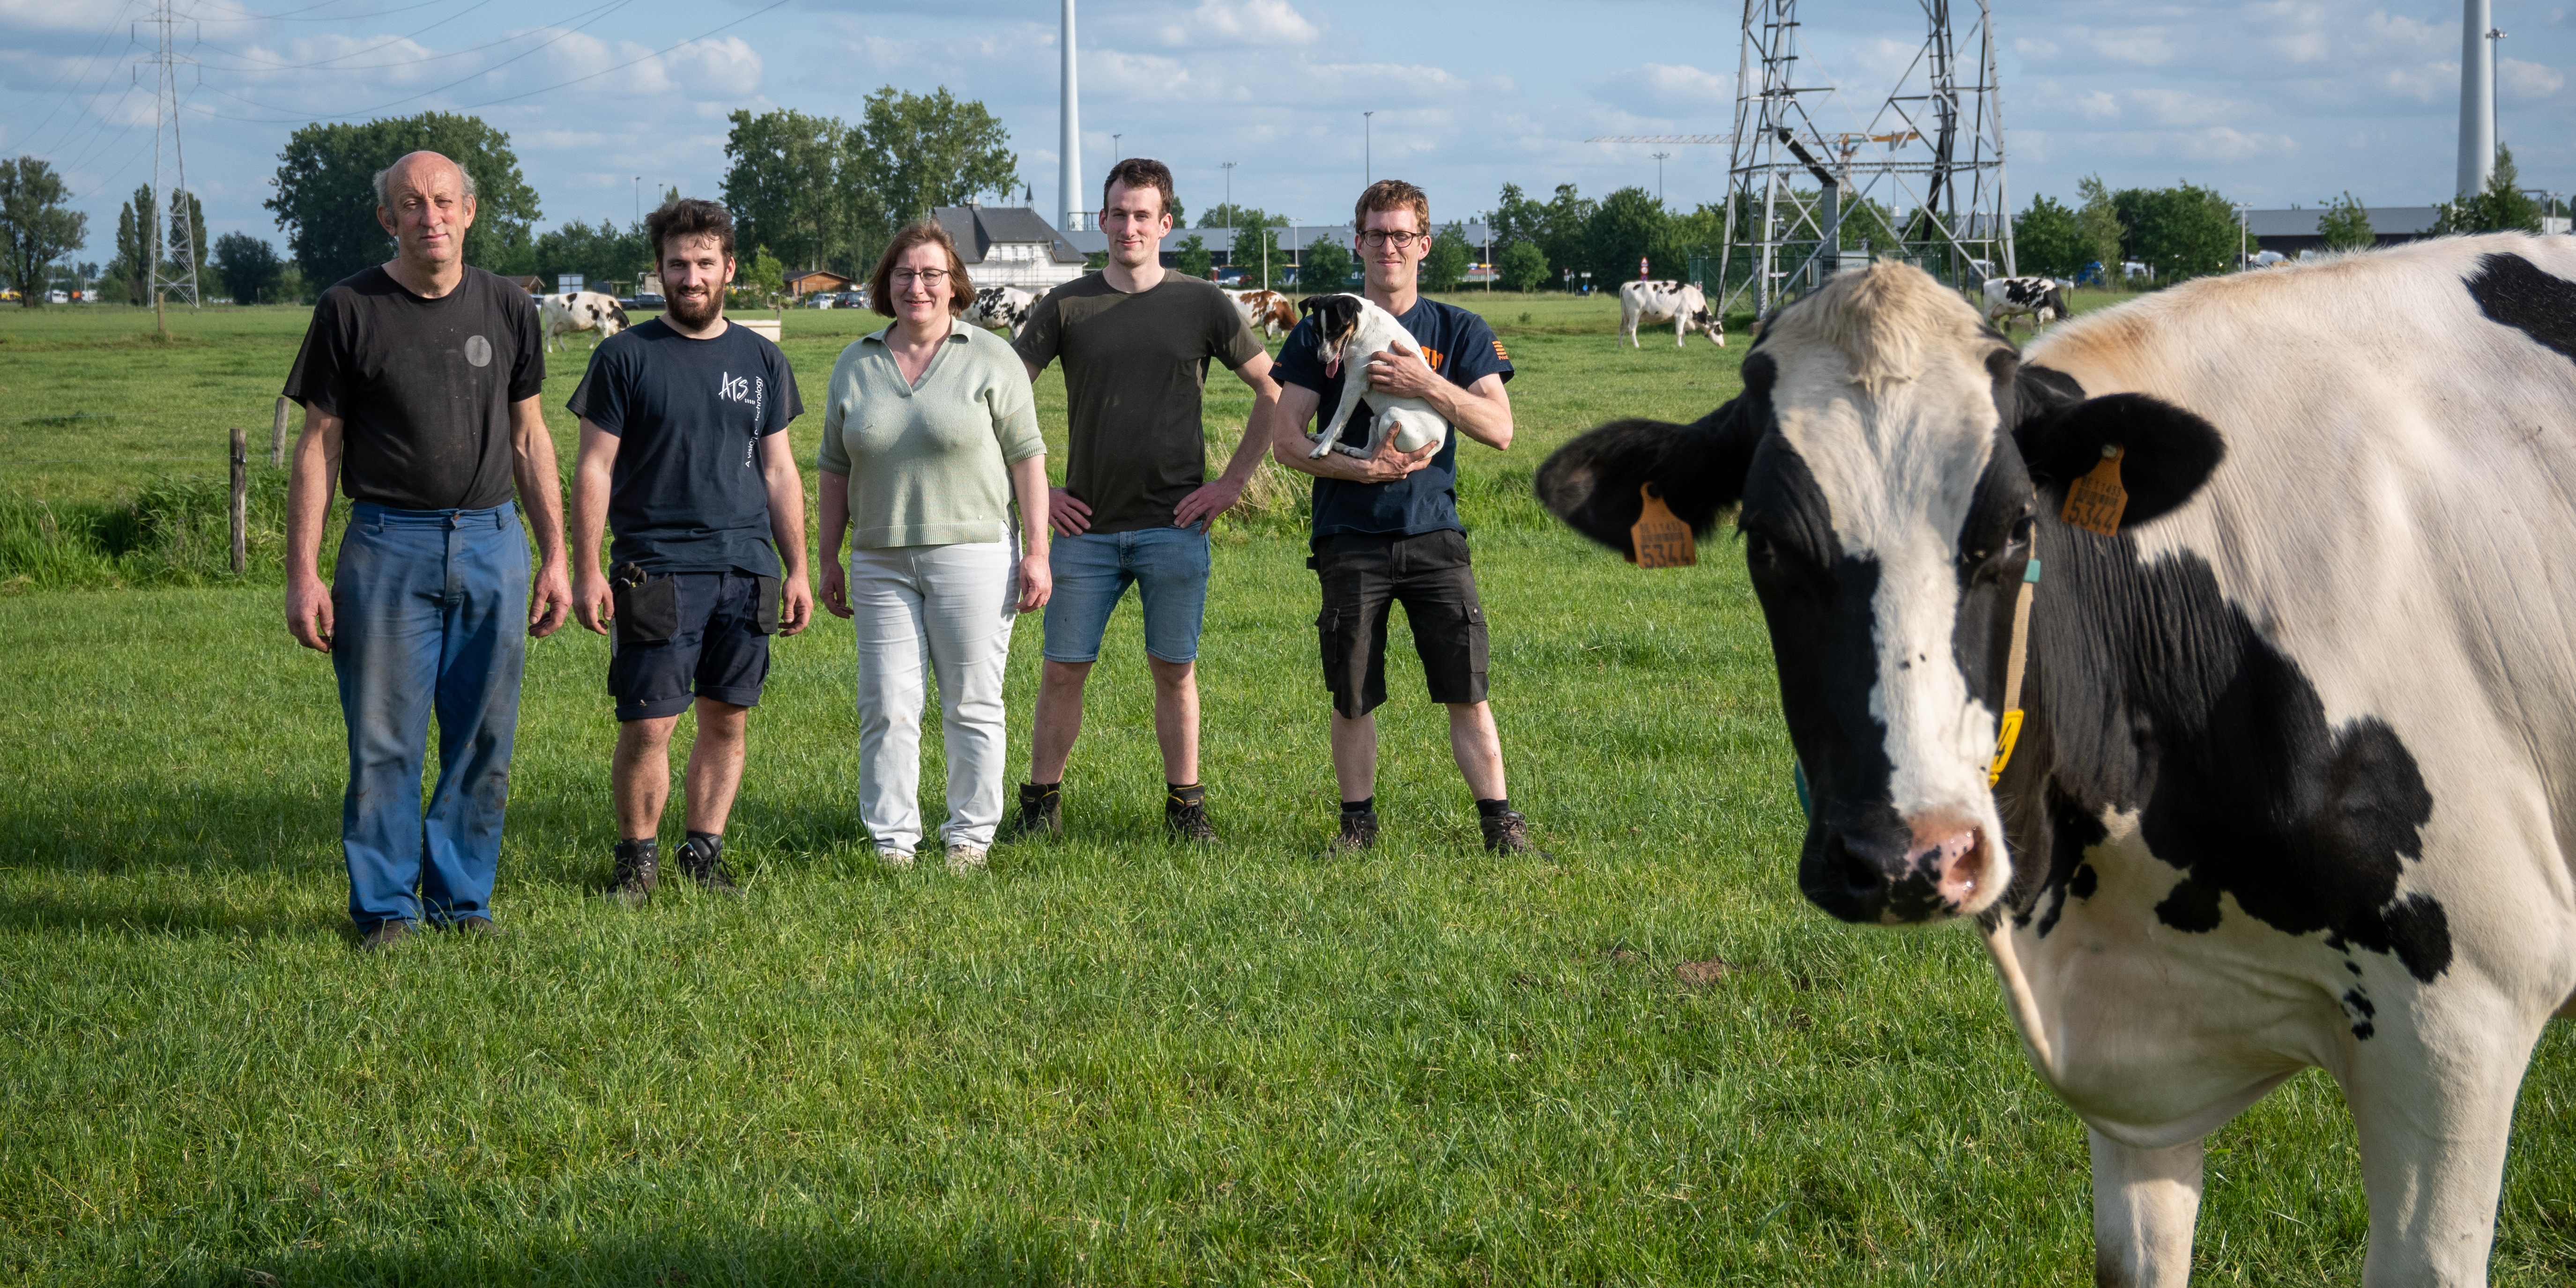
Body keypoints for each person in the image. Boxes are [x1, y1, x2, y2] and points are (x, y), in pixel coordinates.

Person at [281, 150, 572, 950]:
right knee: (384, 740)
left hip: (491, 541)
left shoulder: (511, 307)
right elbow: (318, 446)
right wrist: (304, 574)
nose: (429, 216)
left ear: (471, 211)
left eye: (444, 201)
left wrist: (556, 554)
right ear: (388, 219)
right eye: (411, 203)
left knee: (484, 736)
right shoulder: (348, 309)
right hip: (387, 543)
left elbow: (529, 435)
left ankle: (462, 900)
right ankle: (383, 909)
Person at [1008, 157, 1281, 843]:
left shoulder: (1202, 304)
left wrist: (1231, 484)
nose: (1129, 226)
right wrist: (1041, 496)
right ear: (1101, 221)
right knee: (1063, 670)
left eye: (1143, 215)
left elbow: (1275, 393)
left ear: (1165, 224)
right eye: (1118, 214)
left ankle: (1186, 808)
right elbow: (999, 400)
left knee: (1175, 670)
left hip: (1174, 526)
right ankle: (1041, 806)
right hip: (1085, 529)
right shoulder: (1068, 303)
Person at [1263, 179, 1534, 855]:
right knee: (1352, 691)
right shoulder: (1319, 328)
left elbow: (1500, 429)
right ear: (1357, 243)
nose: (1390, 246)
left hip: (1433, 531)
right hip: (1349, 534)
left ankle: (1502, 829)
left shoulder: (1458, 329)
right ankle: (1357, 827)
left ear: (1425, 245)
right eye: (1377, 234)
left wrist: (1426, 385)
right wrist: (1361, 469)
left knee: (1466, 687)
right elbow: (1288, 440)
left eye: (1402, 234)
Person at [566, 198, 811, 904]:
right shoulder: (624, 356)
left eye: (706, 263)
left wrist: (797, 566)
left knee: (726, 718)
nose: (692, 276)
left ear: (729, 268)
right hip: (656, 565)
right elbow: (594, 469)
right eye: (679, 264)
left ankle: (703, 852)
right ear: (660, 271)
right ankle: (635, 861)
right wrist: (587, 569)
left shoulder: (764, 360)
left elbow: (779, 471)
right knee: (649, 721)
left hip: (747, 567)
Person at [817, 221, 1052, 873]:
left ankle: (969, 836)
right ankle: (893, 840)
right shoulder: (855, 361)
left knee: (972, 700)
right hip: (879, 559)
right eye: (903, 274)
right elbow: (833, 467)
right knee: (887, 705)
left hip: (974, 552)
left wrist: (1038, 551)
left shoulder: (991, 357)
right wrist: (828, 556)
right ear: (885, 285)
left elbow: (1028, 459)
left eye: (930, 274)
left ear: (955, 286)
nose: (916, 286)